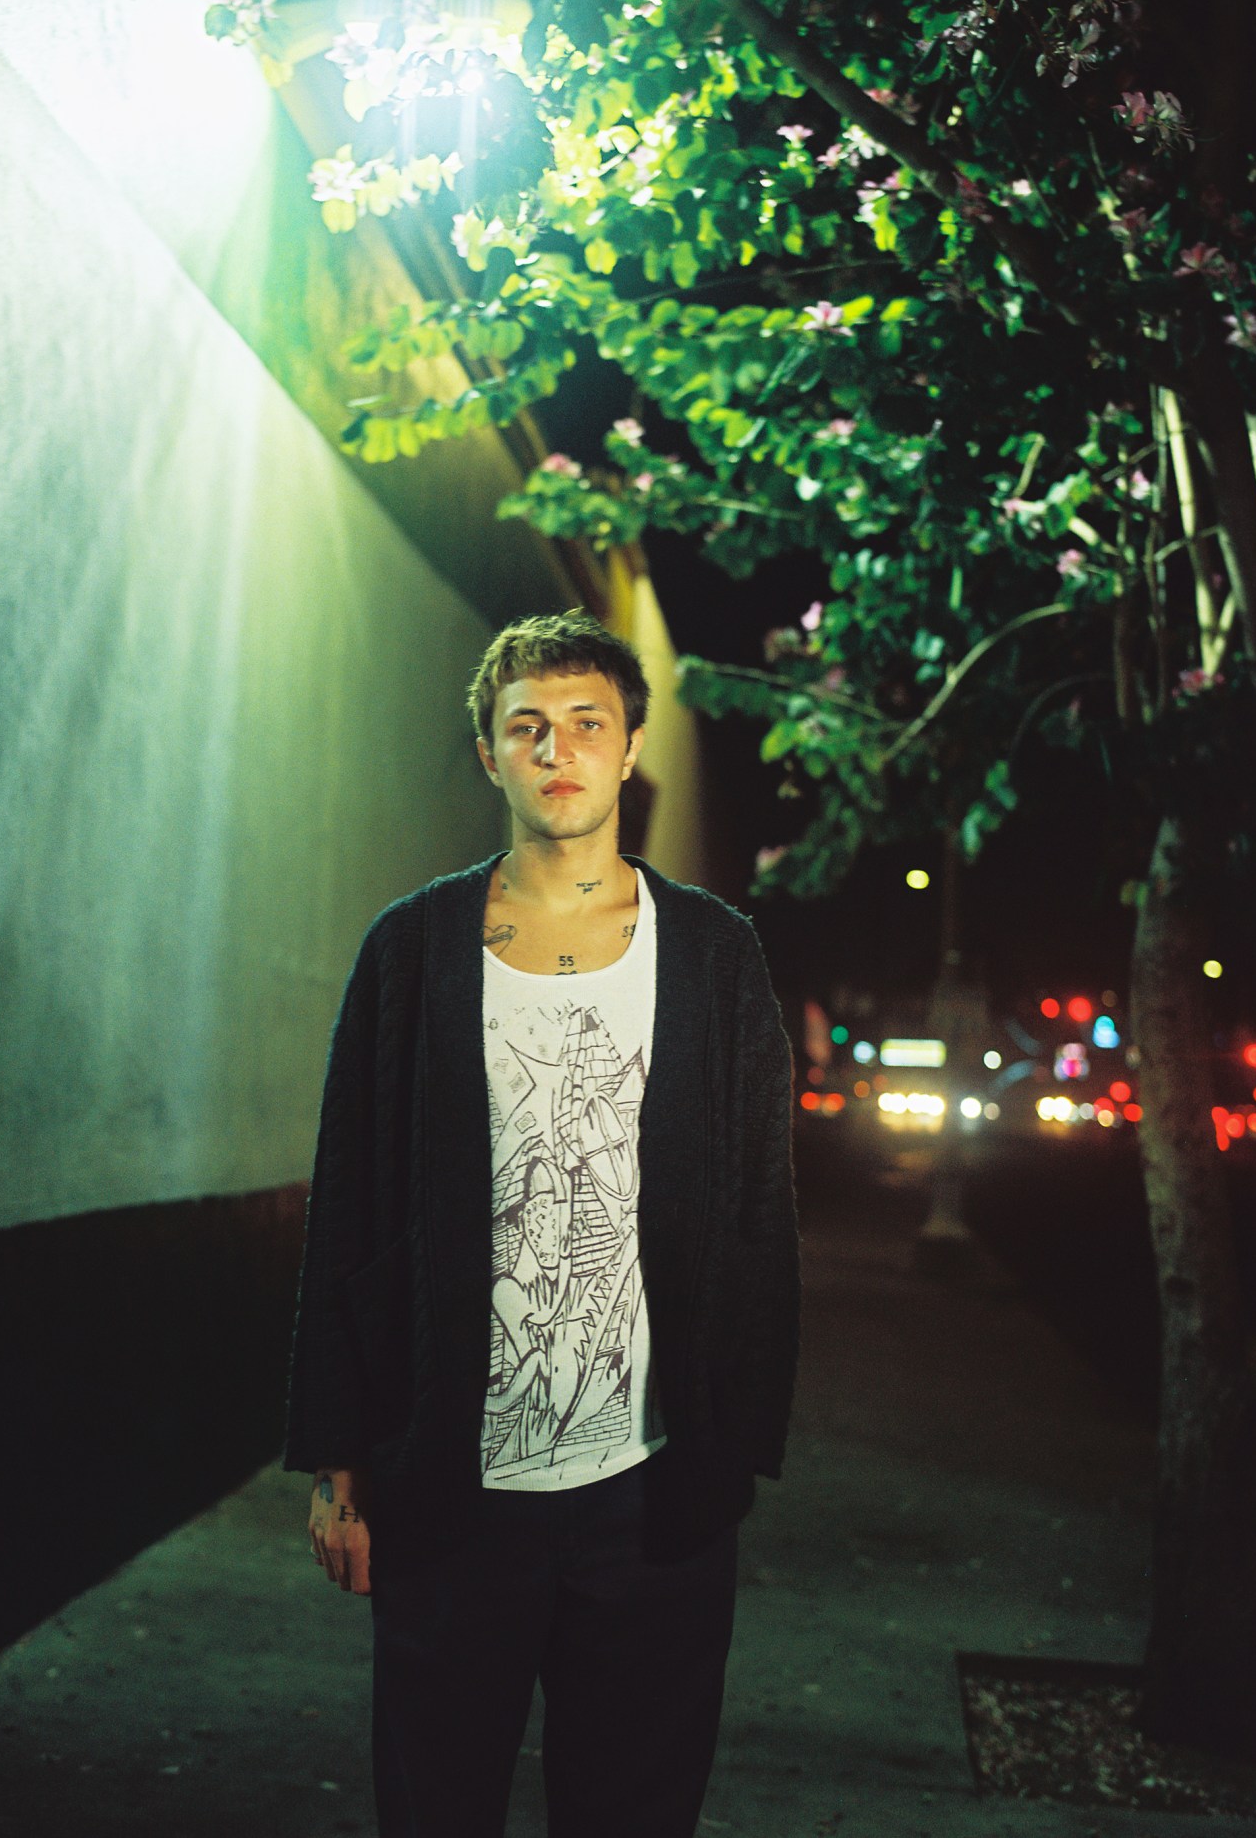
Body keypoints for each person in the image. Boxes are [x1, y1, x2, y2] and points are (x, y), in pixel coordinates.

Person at [283, 608, 800, 1838]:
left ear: (627, 752)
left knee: (633, 1807)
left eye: (585, 725)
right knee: (433, 1799)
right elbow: (349, 1198)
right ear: (490, 756)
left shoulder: (715, 957)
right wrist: (335, 1456)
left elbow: (757, 1212)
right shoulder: (411, 950)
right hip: (446, 1482)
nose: (556, 749)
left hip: (650, 1487)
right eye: (528, 728)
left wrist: (730, 1443)